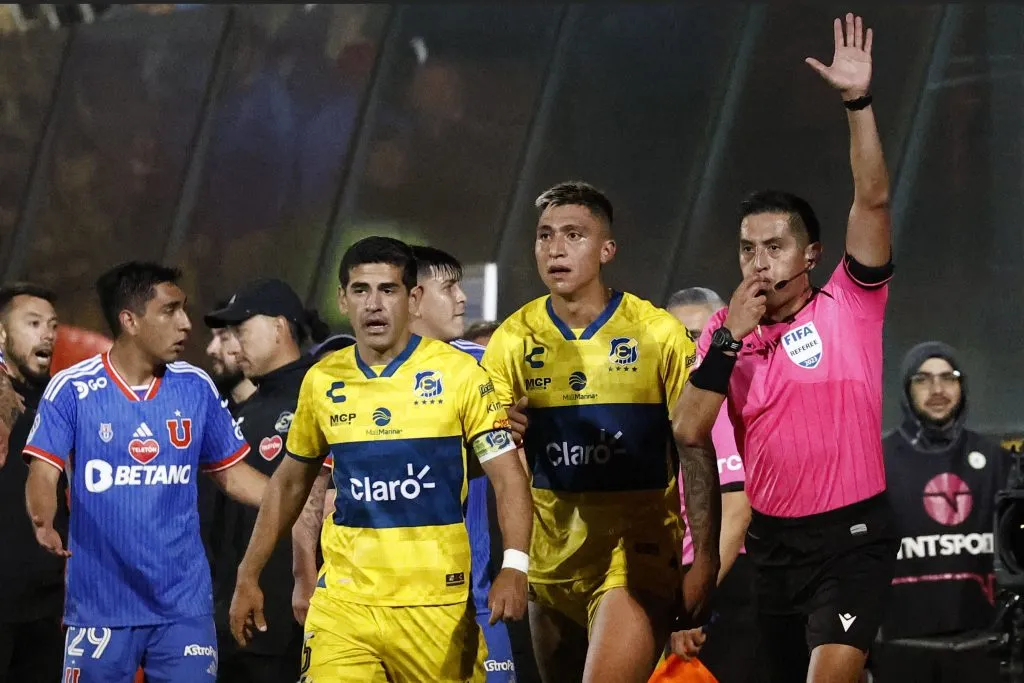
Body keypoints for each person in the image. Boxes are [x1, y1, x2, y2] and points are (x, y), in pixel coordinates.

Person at [672, 14, 897, 683]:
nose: (760, 261)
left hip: (852, 539)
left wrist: (857, 104)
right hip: (772, 546)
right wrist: (731, 335)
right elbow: (687, 427)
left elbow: (875, 199)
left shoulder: (849, 302)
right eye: (748, 247)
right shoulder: (722, 331)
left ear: (812, 253)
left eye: (776, 246)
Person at [228, 236, 533, 683]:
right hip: (345, 606)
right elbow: (290, 484)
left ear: (412, 299)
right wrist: (249, 573)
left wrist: (515, 565)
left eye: (388, 290)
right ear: (342, 298)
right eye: (360, 290)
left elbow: (507, 478)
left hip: (435, 606)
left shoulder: (461, 374)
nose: (374, 304)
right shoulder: (322, 381)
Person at [480, 181, 699, 683]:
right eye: (544, 236)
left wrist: (701, 554)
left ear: (606, 250)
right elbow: (485, 457)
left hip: (632, 556)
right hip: (550, 560)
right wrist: (501, 434)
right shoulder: (511, 341)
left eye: (573, 235)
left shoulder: (657, 332)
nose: (555, 248)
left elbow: (697, 447)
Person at [23, 261, 268, 683]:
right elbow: (44, 472)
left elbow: (232, 474)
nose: (186, 324)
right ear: (130, 320)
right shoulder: (74, 388)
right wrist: (44, 521)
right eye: (170, 311)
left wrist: (297, 499)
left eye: (184, 309)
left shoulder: (195, 387)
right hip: (100, 605)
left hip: (183, 607)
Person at [203, 279, 331, 683]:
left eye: (242, 329)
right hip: (233, 613)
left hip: (295, 614)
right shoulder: (241, 410)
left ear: (279, 326)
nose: (235, 345)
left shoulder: (325, 394)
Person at [409, 244, 523, 681]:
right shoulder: (352, 374)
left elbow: (514, 472)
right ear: (414, 298)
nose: (462, 298)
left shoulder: (482, 367)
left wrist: (517, 564)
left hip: (472, 598)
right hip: (372, 601)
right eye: (450, 287)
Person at [870, 342, 1007, 682]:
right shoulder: (877, 461)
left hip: (984, 647)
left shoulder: (998, 461)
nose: (937, 389)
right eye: (923, 379)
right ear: (906, 388)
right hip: (901, 649)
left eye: (948, 377)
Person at [664, 287, 762, 683]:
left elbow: (737, 510)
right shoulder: (670, 400)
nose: (696, 346)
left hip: (719, 579)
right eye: (684, 336)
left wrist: (691, 604)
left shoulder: (719, 406)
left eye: (705, 333)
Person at [0, 283, 65, 683]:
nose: (48, 334)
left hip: (45, 602)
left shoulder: (62, 401)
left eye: (53, 325)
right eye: (34, 323)